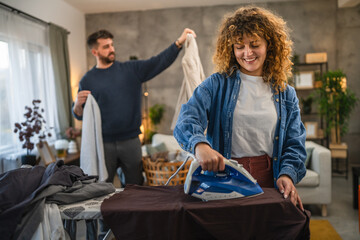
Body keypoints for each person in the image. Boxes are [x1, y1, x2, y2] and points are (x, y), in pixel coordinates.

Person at [174, 6, 306, 211]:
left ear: (269, 45)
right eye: (239, 46)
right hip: (223, 179)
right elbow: (186, 119)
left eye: (254, 44)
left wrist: (287, 174)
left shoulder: (285, 94)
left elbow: (294, 143)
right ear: (231, 49)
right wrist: (200, 146)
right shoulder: (216, 85)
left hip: (269, 180)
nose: (247, 53)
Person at [73, 28, 196, 186]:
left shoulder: (131, 70)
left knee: (136, 185)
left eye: (111, 45)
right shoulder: (88, 80)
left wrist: (179, 43)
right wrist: (77, 105)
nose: (111, 49)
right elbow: (79, 115)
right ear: (95, 52)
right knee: (103, 186)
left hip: (131, 141)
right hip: (103, 143)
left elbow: (158, 62)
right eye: (106, 47)